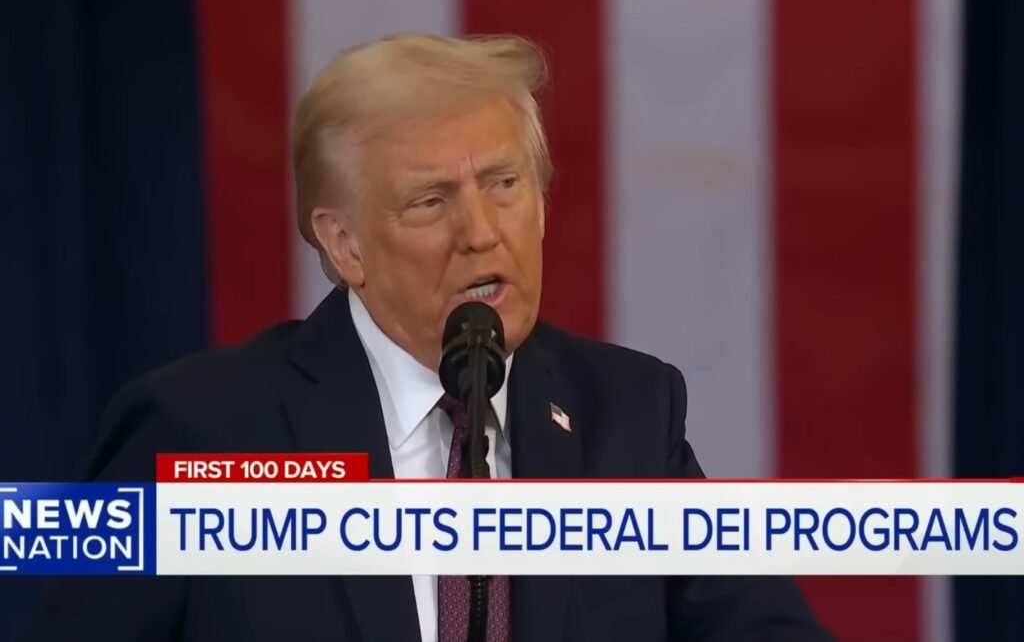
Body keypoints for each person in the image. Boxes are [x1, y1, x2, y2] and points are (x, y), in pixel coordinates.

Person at [27, 34, 831, 642]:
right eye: (430, 202)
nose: (480, 231)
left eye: (505, 184)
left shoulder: (628, 413)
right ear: (344, 245)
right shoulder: (199, 429)